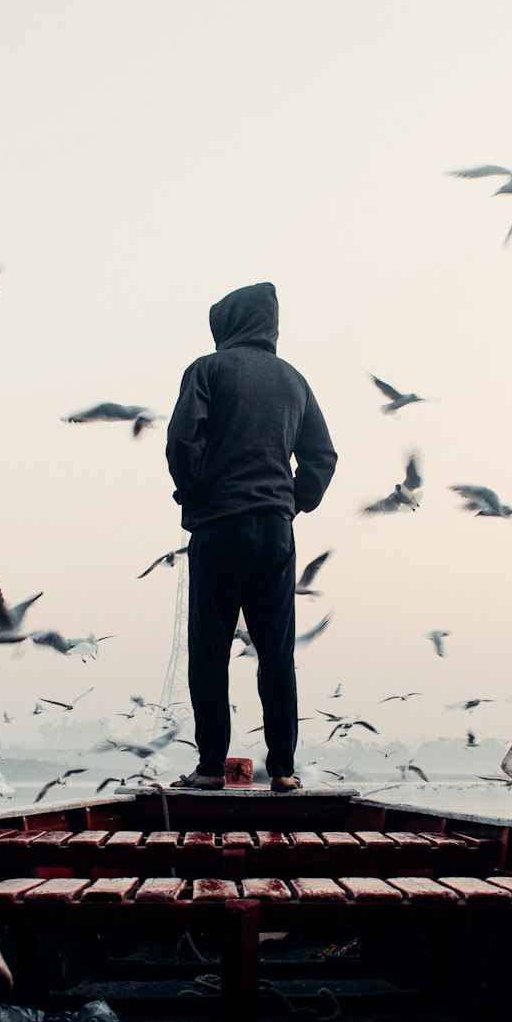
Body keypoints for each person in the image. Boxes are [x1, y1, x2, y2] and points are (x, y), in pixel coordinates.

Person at [165, 282, 337, 791]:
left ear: (229, 323)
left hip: (220, 526)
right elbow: (322, 456)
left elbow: (181, 441)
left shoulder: (208, 369)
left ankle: (210, 768)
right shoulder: (294, 381)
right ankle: (283, 771)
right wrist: (294, 501)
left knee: (211, 647)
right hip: (277, 534)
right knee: (276, 652)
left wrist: (195, 492)